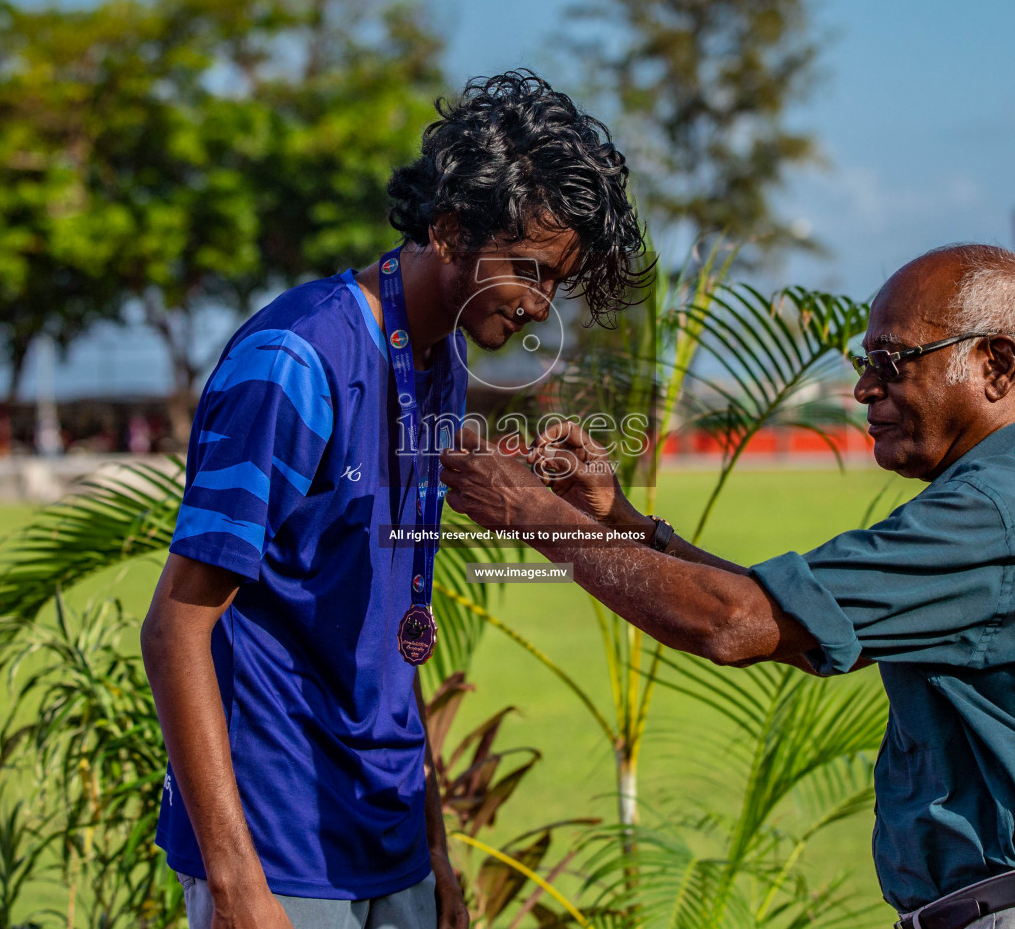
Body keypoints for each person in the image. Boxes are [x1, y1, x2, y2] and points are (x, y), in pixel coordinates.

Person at [439, 244, 1015, 929]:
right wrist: (624, 522)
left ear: (995, 364)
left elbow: (734, 624)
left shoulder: (997, 516)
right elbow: (788, 613)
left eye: (892, 360)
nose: (864, 387)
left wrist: (524, 509)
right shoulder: (1012, 502)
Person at [141, 70, 647, 929]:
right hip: (281, 850)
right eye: (528, 270)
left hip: (390, 843)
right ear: (449, 232)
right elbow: (176, 625)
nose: (538, 307)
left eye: (557, 283)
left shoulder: (439, 359)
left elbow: (391, 623)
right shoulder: (296, 361)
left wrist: (436, 851)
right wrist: (235, 884)